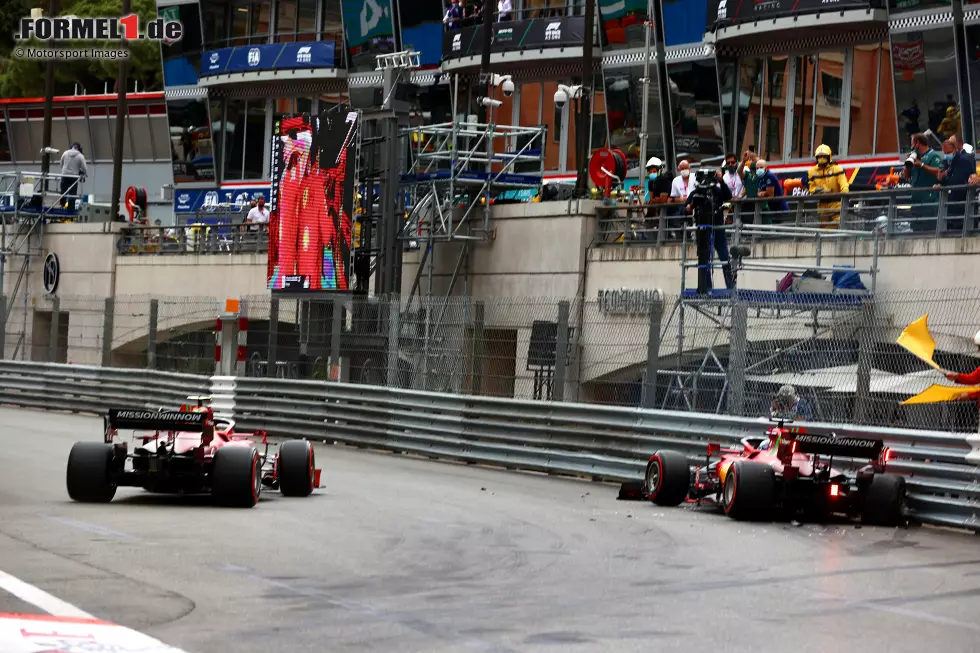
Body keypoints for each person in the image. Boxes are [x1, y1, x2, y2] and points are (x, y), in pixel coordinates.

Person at [686, 167, 733, 294]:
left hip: (718, 228)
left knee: (724, 257)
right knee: (704, 259)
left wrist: (721, 181)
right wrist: (692, 205)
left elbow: (728, 196)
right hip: (703, 230)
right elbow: (687, 208)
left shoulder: (717, 191)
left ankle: (731, 287)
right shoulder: (696, 193)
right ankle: (706, 288)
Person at [901, 133, 942, 232]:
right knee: (916, 231)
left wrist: (922, 165)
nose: (911, 147)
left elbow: (938, 171)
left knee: (930, 229)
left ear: (918, 143)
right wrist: (908, 164)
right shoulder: (914, 157)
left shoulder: (934, 155)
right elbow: (905, 176)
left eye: (912, 144)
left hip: (929, 200)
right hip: (916, 201)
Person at [807, 144, 849, 229]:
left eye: (824, 156)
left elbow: (844, 186)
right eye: (819, 156)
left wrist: (844, 198)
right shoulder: (811, 172)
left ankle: (824, 235)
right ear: (816, 158)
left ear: (829, 157)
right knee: (823, 226)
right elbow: (811, 189)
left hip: (836, 203)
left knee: (837, 223)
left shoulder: (837, 169)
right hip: (822, 205)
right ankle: (823, 236)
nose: (822, 158)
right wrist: (822, 190)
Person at [59, 142, 87, 208]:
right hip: (74, 177)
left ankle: (62, 205)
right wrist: (82, 172)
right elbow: (84, 168)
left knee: (63, 191)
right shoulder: (80, 156)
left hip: (64, 175)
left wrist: (65, 170)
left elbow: (61, 164)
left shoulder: (65, 153)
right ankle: (70, 208)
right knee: (72, 194)